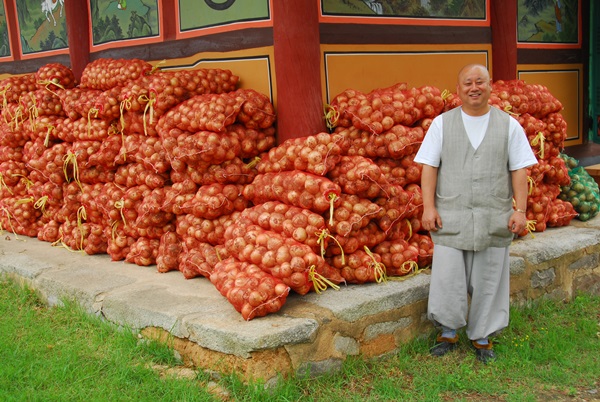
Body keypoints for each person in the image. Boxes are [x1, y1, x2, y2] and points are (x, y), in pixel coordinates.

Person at [413, 64, 538, 363]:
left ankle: (483, 335)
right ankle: (448, 331)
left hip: (493, 214)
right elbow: (429, 167)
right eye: (467, 83)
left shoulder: (508, 125)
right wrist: (428, 207)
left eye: (480, 81)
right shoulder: (442, 124)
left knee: (489, 277)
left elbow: (520, 169)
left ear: (490, 86)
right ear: (458, 90)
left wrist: (520, 210)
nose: (474, 87)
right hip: (451, 213)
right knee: (448, 277)